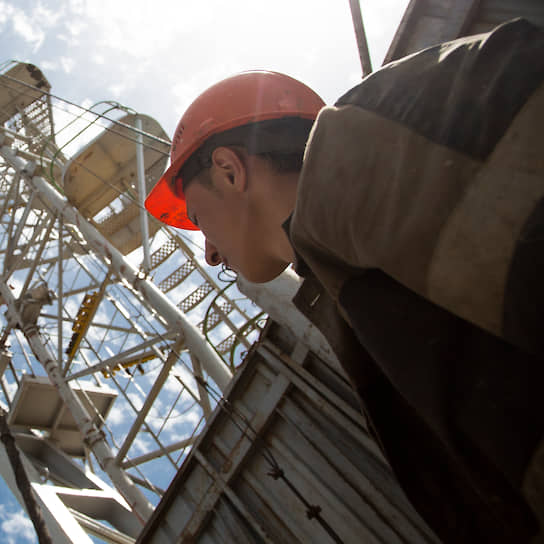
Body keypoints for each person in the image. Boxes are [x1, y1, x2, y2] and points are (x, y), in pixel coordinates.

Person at [145, 18, 544, 543]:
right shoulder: (345, 286)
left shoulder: (370, 144)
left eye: (198, 219)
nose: (210, 253)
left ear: (229, 171)